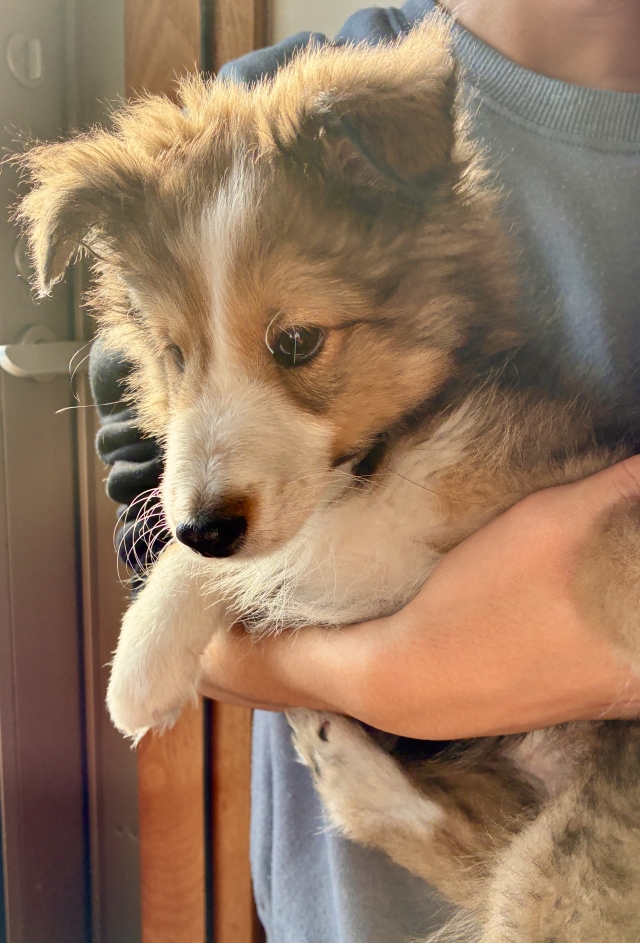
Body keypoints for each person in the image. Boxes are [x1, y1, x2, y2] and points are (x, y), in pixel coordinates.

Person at [89, 1, 640, 939]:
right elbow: (160, 550)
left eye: (297, 342)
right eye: (178, 355)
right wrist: (386, 676)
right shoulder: (236, 126)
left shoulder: (375, 145)